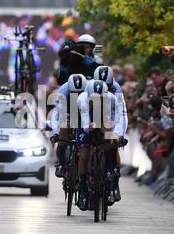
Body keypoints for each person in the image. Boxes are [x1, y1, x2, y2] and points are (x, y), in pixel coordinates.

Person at [76, 80, 126, 210]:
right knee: (84, 154)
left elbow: (120, 118)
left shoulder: (112, 98)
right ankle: (83, 188)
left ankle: (110, 169)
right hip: (87, 121)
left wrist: (118, 135)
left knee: (111, 136)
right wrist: (90, 126)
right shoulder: (83, 99)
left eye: (101, 99)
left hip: (106, 119)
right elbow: (86, 125)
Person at [93, 66, 129, 201]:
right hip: (93, 114)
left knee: (112, 139)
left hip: (110, 115)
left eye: (107, 86)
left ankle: (114, 176)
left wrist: (120, 135)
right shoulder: (90, 88)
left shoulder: (116, 89)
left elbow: (122, 114)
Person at [51, 74, 88, 178]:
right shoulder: (63, 90)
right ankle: (61, 163)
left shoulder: (88, 89)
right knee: (64, 126)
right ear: (69, 90)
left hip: (84, 110)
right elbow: (57, 113)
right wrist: (55, 133)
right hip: (68, 109)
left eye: (79, 93)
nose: (77, 95)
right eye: (74, 93)